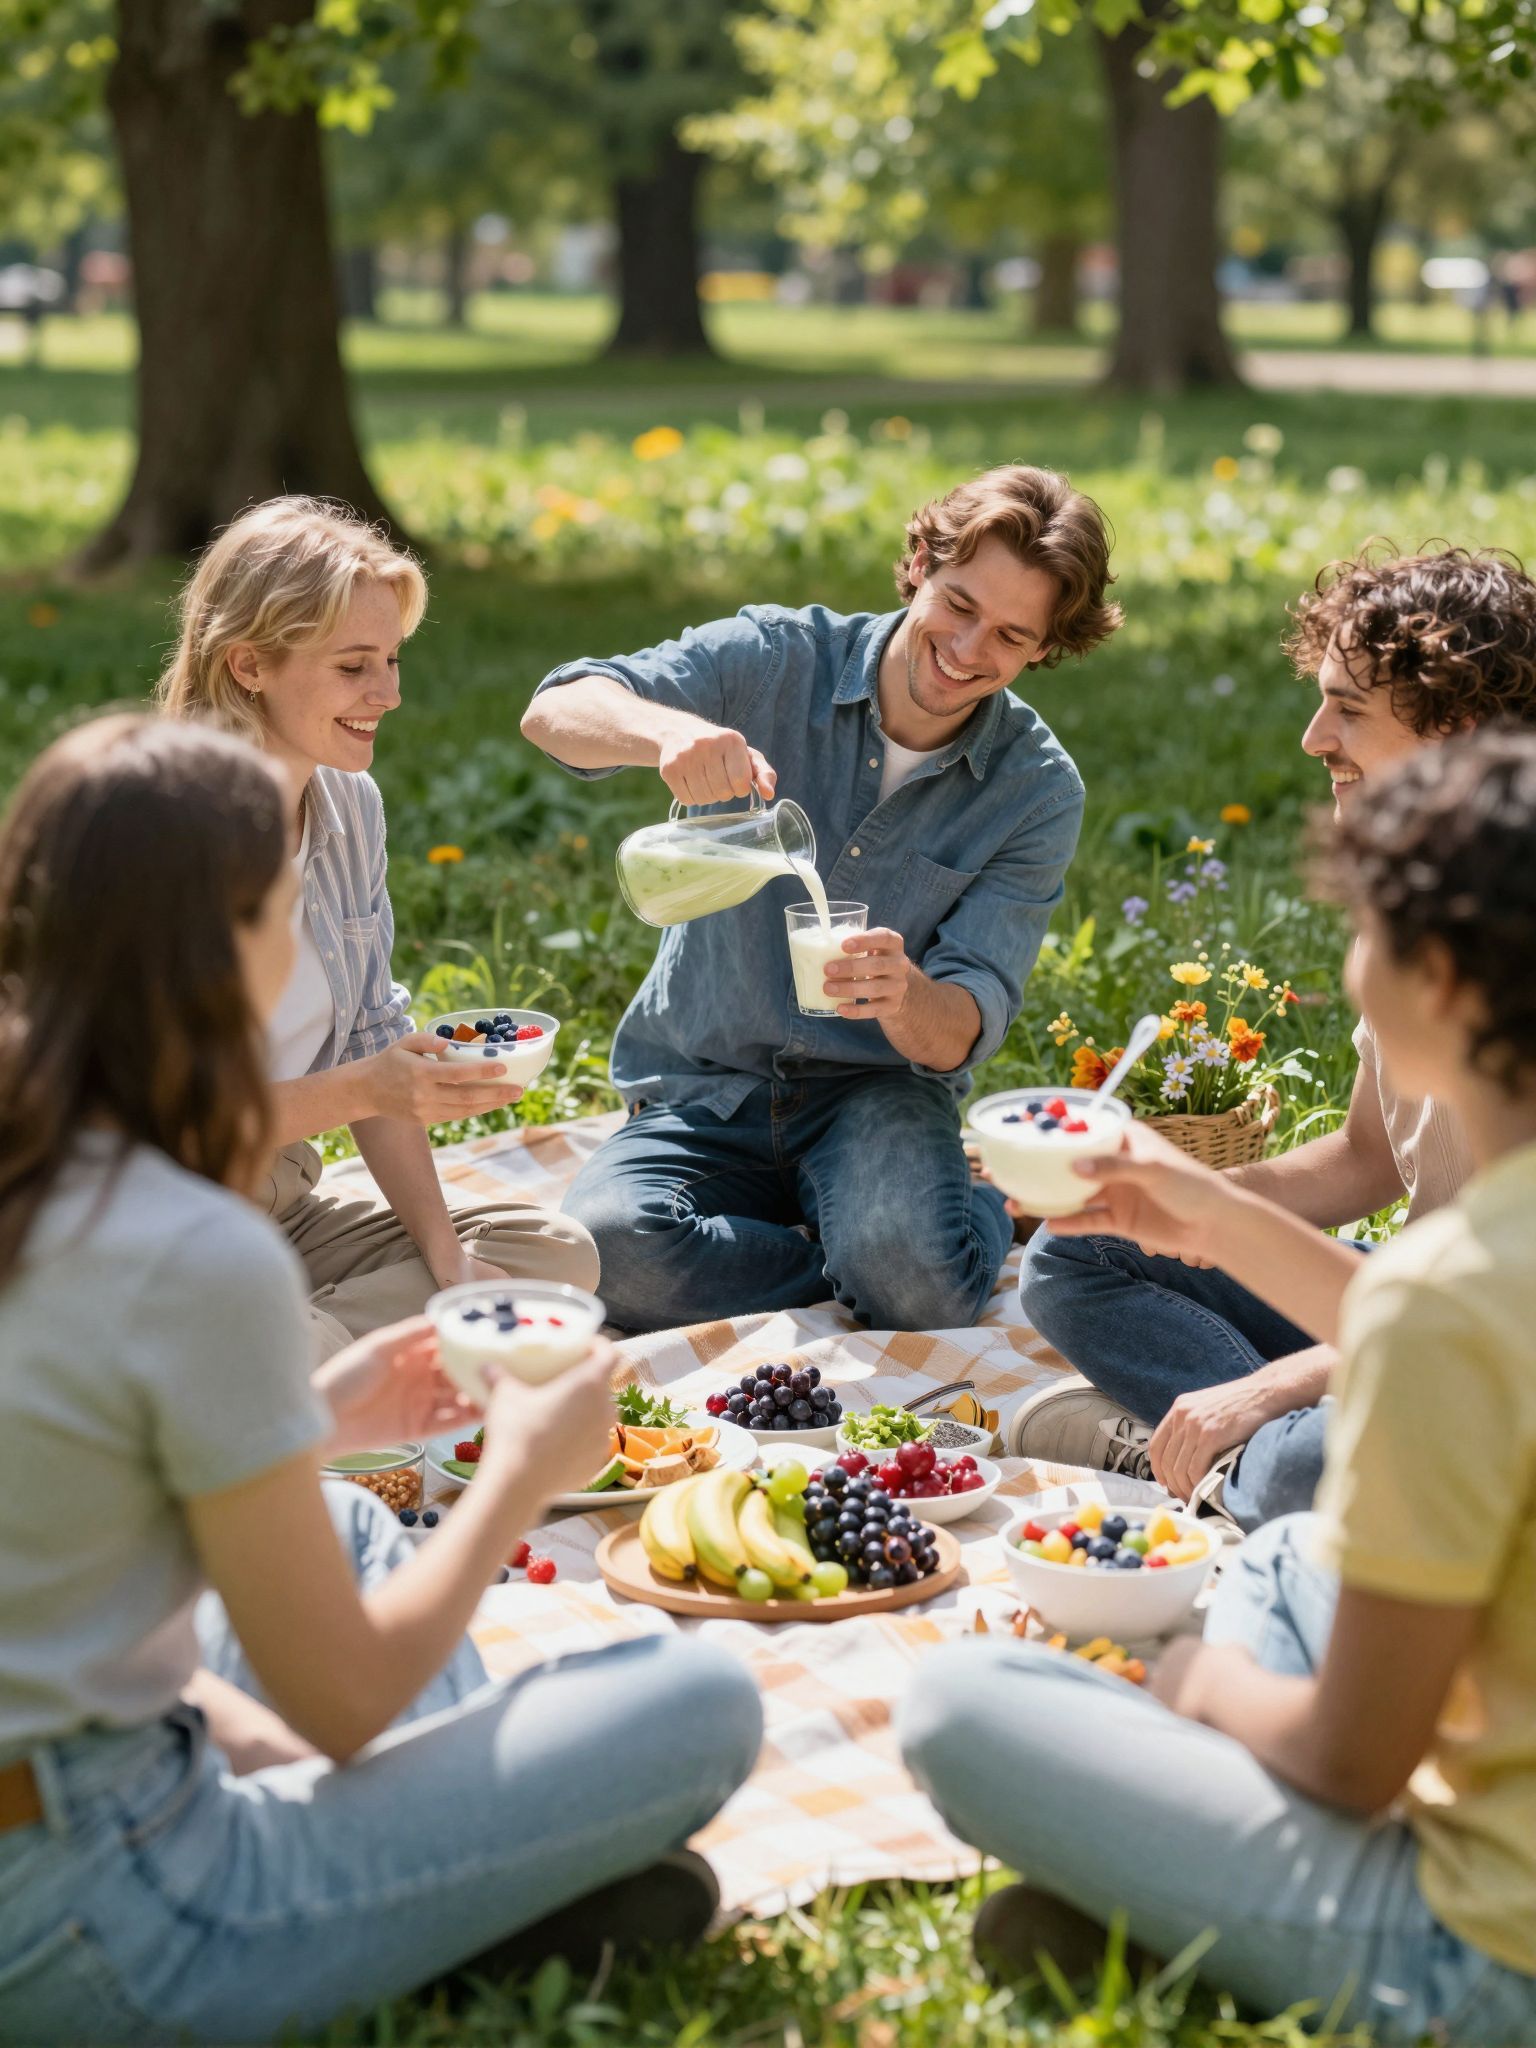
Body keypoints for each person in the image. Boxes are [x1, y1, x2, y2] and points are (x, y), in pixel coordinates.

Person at [0, 716, 762, 2046]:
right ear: (223, 945)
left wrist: (316, 1418)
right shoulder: (194, 1244)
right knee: (701, 1700)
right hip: (106, 1914)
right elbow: (344, 1703)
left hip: (61, 1788)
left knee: (353, 1517)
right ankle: (452, 1895)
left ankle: (442, 1883)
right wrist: (522, 1469)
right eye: (278, 913)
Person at [902, 728, 1536, 2039]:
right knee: (1284, 1556)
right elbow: (1455, 1333)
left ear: (1441, 985)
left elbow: (1353, 1766)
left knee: (960, 1704)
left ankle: (1178, 1894)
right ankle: (1177, 1892)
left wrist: (1190, 1684)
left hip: (1486, 1956)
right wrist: (1204, 1208)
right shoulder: (1480, 1269)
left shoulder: (1445, 1302)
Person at [521, 465, 1122, 1333]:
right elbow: (556, 708)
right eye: (958, 605)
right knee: (605, 1249)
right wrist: (668, 730)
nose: (967, 651)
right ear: (919, 564)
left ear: (1043, 649)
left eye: (1009, 636)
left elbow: (965, 1021)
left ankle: (970, 1216)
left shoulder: (1034, 791)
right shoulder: (778, 660)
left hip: (872, 1095)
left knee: (917, 1293)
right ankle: (852, 1253)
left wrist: (907, 994)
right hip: (706, 1084)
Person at [1012, 544, 1536, 1526]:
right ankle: (1223, 1444)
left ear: (1453, 727)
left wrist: (1274, 1385)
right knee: (1078, 1252)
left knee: (1308, 1467)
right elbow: (1370, 1155)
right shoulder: (1422, 880)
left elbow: (1496, 1318)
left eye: (1346, 707)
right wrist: (1172, 1201)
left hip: (1487, 1350)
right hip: (1400, 1304)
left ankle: (1227, 1455)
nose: (1310, 737)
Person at [158, 496, 598, 1359]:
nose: (389, 695)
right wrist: (366, 1086)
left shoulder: (346, 804)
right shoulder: (158, 831)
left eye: (392, 660)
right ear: (249, 664)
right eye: (355, 666)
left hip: (282, 1202)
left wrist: (447, 1257)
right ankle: (273, 1355)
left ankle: (288, 1347)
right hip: (158, 1222)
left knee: (551, 1254)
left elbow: (368, 1034)